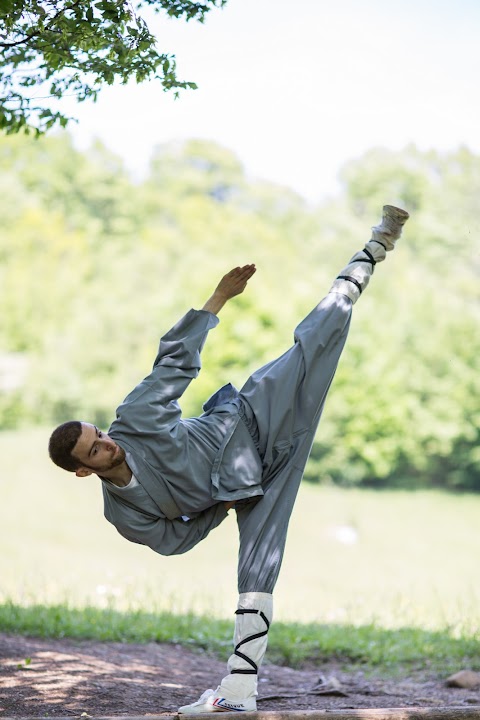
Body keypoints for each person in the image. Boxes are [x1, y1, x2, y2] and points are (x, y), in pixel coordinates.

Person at [48, 205, 409, 714]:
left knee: (318, 336)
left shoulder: (134, 418)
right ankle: (239, 692)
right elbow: (173, 542)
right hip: (255, 488)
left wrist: (219, 298)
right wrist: (222, 504)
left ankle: (375, 246)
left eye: (99, 433)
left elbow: (174, 362)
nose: (107, 441)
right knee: (258, 569)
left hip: (253, 415)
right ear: (84, 470)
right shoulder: (124, 514)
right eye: (95, 449)